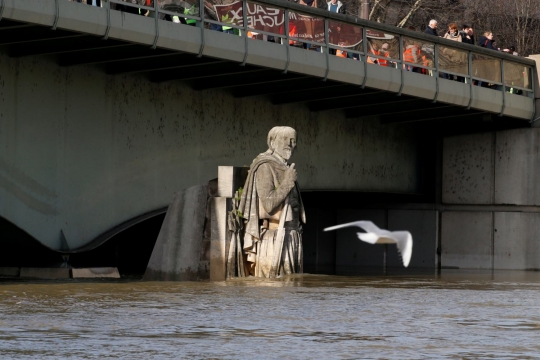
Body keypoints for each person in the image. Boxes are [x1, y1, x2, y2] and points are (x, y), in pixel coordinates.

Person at [227, 126, 305, 278]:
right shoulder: (265, 166)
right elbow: (268, 204)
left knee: (291, 290)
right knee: (274, 290)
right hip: (275, 238)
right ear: (271, 142)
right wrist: (288, 182)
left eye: (293, 140)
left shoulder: (287, 168)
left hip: (292, 236)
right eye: (284, 139)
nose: (289, 144)